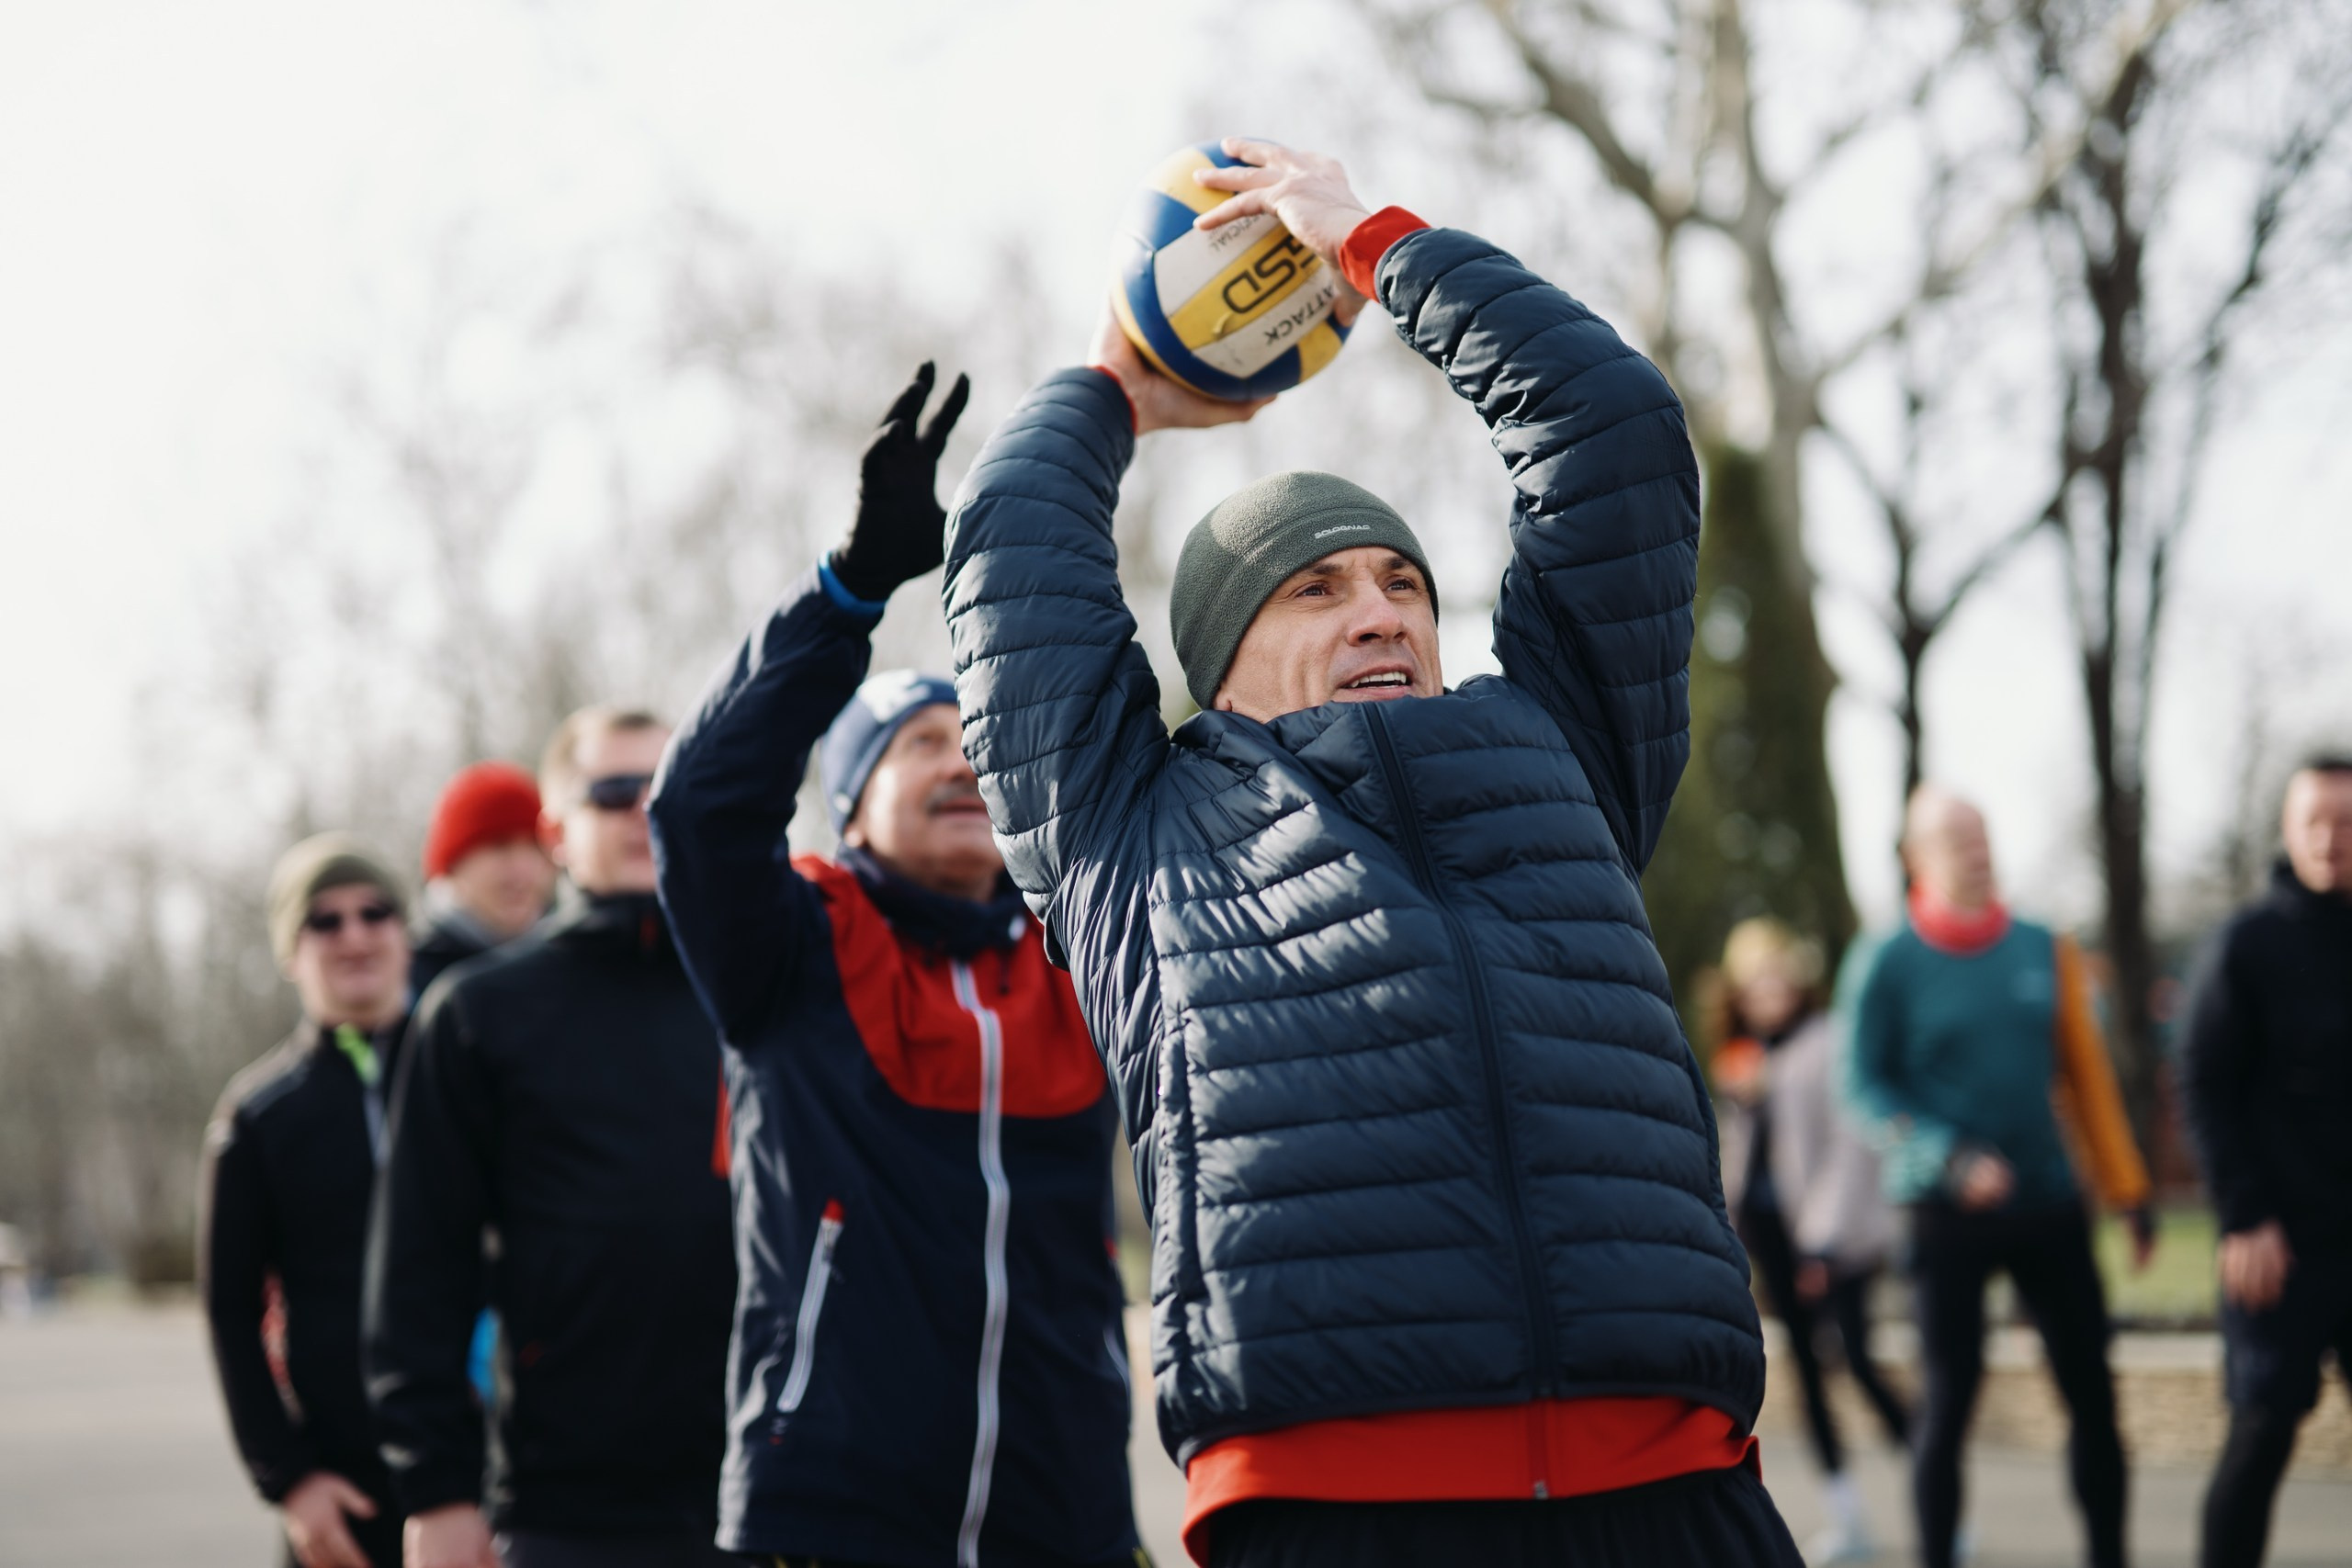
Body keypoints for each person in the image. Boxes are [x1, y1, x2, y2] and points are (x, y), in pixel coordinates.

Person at [941, 139, 1796, 1568]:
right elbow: (1012, 559)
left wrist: (1376, 245)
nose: (1381, 610)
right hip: (1335, 1510)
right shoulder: (1130, 832)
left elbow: (1617, 434)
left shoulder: (1559, 752)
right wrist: (1114, 384)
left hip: (1673, 1488)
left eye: (1404, 581)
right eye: (1319, 587)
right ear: (1218, 665)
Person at [649, 366, 1144, 1568]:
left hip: (1063, 1510)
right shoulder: (790, 943)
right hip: (834, 1513)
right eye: (920, 744)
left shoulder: (1079, 948)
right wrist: (852, 585)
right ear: (850, 807)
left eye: (972, 740)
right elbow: (702, 804)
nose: (962, 763)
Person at [365, 706, 736, 1568]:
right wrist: (437, 1493)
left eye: (668, 784)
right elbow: (420, 1265)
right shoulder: (478, 1012)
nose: (646, 808)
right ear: (555, 832)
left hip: (764, 1496)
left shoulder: (759, 987)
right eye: (614, 792)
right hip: (562, 1505)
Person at [1840, 784, 2157, 1568]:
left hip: (2048, 1201)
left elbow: (2085, 1076)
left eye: (1983, 836)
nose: (1979, 853)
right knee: (1948, 1404)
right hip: (1947, 1214)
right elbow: (1861, 1087)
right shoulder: (1886, 961)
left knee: (2093, 1395)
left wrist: (2128, 1189)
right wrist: (1944, 1155)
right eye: (1958, 840)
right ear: (1918, 858)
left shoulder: (2044, 944)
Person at [202, 834, 419, 1568]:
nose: (354, 934)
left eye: (375, 912)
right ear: (290, 951)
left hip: (489, 1467)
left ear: (406, 932)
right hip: (346, 1489)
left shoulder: (471, 1075)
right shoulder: (257, 1114)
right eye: (323, 921)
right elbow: (229, 1308)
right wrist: (289, 1480)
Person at [2183, 757, 2352, 1568]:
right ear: (2287, 829)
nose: (2330, 839)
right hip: (2277, 1243)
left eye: (2347, 823)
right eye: (2314, 820)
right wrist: (2244, 1214)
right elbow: (2204, 1086)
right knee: (2263, 1433)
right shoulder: (2246, 945)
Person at [1709, 919, 1908, 1564]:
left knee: (1857, 1358)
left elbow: (1851, 1148)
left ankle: (1934, 1488)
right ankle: (1846, 1514)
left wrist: (1821, 1242)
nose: (1768, 991)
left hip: (1829, 1240)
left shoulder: (1828, 1043)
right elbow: (1745, 1159)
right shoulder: (1744, 1056)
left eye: (1777, 975)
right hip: (1769, 1240)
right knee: (1807, 1382)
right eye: (1754, 981)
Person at [410, 761, 556, 999]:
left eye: (535, 845)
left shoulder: (578, 963)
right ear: (454, 865)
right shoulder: (408, 982)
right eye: (500, 846)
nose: (521, 868)